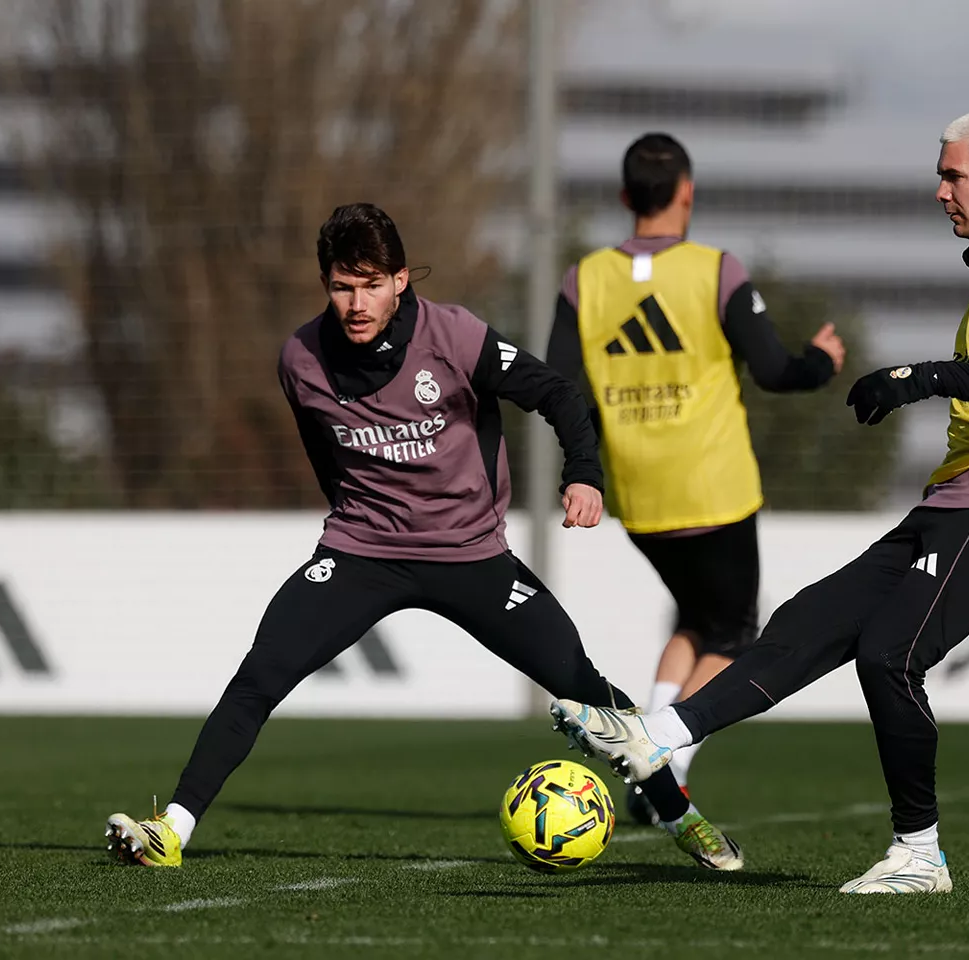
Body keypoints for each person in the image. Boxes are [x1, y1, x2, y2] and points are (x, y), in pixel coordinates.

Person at [547, 107, 969, 894]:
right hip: (961, 498)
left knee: (890, 654)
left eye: (952, 174)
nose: (940, 191)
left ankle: (920, 855)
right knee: (809, 620)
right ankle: (655, 736)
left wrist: (928, 376)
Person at [104, 203, 743, 871]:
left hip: (472, 558)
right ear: (325, 284)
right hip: (362, 554)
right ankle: (170, 831)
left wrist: (584, 475)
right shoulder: (300, 359)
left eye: (372, 283)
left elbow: (555, 393)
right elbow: (329, 461)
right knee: (259, 676)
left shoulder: (455, 336)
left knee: (583, 685)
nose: (357, 302)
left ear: (402, 279)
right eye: (343, 286)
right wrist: (357, 527)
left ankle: (683, 818)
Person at [545, 133, 846, 824]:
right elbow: (775, 372)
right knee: (735, 637)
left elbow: (561, 386)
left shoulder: (582, 280)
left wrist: (582, 469)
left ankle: (648, 736)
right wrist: (822, 361)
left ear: (625, 198)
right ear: (687, 192)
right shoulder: (715, 270)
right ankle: (664, 756)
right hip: (714, 488)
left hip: (639, 496)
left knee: (696, 618)